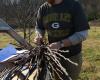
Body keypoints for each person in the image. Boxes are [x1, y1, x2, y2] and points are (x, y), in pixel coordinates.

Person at [34, 0, 90, 80]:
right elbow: (39, 27)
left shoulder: (74, 5)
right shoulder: (43, 8)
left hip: (72, 57)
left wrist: (60, 44)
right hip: (53, 56)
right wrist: (38, 36)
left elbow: (82, 34)